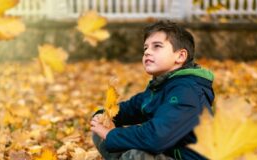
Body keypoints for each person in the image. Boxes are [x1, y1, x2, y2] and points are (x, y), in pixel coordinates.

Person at [90, 20, 215, 160]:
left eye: (156, 46)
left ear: (180, 56)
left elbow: (157, 137)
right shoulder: (160, 86)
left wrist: (110, 134)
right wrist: (103, 115)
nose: (147, 52)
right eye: (145, 48)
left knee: (137, 156)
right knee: (99, 131)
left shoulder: (187, 91)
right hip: (165, 153)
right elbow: (130, 108)